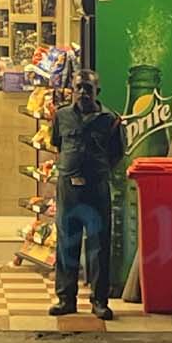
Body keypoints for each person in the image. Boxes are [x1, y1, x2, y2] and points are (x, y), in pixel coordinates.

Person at [48, 70, 125, 321]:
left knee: (99, 245)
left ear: (97, 92)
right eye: (78, 87)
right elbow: (57, 144)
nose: (83, 92)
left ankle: (99, 301)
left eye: (88, 88)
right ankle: (65, 299)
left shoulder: (110, 119)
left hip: (97, 189)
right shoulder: (61, 116)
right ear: (72, 89)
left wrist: (96, 171)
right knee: (67, 242)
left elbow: (117, 153)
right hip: (68, 188)